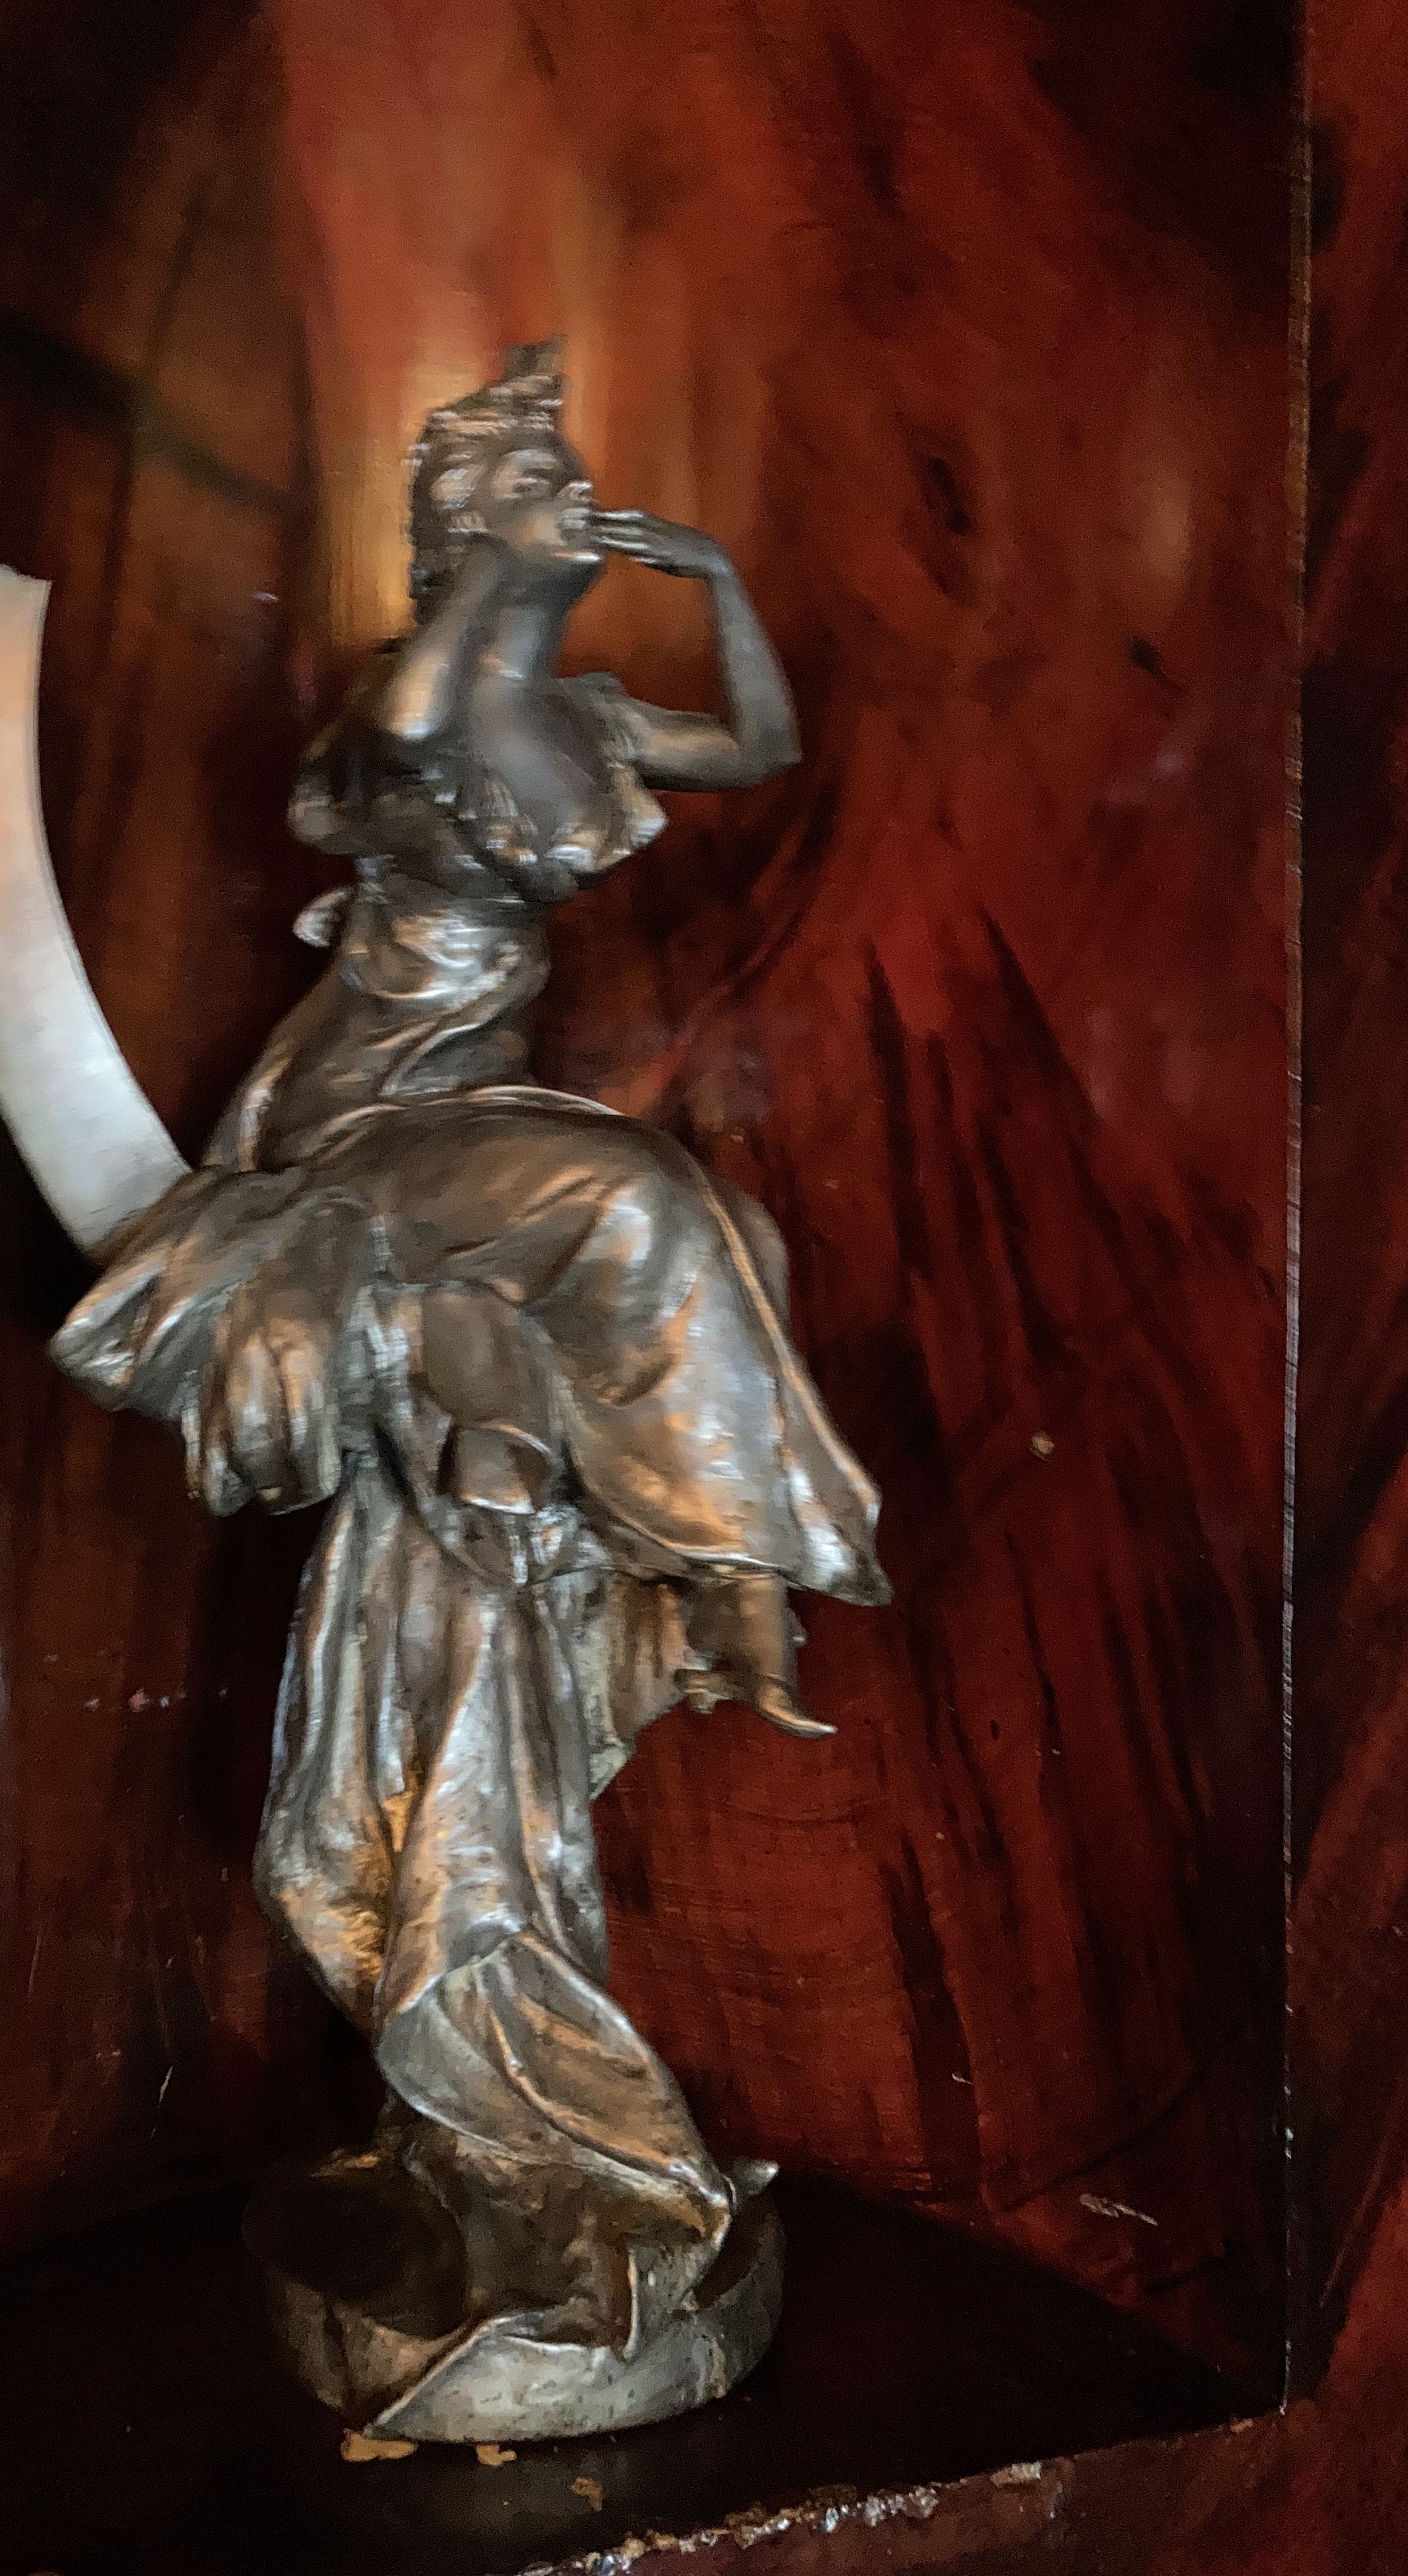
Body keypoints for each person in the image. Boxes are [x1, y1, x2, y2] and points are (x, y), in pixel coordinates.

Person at [53, 342, 888, 2417]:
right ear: (463, 532)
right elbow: (431, 707)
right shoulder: (418, 700)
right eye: (540, 481)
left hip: (474, 1125)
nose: (576, 502)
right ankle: (747, 1571)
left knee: (733, 1233)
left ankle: (686, 1568)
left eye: (571, 478)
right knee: (647, 1211)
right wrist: (496, 560)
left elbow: (761, 737)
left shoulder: (571, 710)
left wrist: (710, 576)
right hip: (364, 1135)